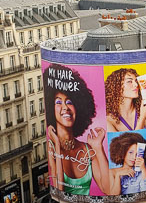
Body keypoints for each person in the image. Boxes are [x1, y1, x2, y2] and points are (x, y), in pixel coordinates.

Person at [45, 64, 110, 196]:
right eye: (58, 102)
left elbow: (108, 189)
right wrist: (57, 145)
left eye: (69, 102)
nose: (65, 108)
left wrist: (98, 148)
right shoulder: (51, 146)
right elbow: (59, 190)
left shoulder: (87, 149)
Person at [105, 68, 146, 132]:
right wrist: (142, 117)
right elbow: (132, 141)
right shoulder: (108, 120)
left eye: (136, 81)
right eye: (129, 81)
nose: (136, 85)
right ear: (117, 87)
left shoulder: (145, 110)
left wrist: (144, 114)